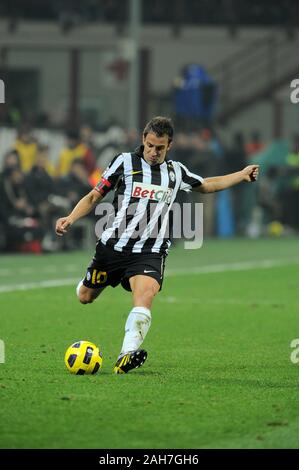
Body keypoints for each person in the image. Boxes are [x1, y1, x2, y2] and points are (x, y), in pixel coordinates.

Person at [55, 116, 259, 374]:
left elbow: (206, 185)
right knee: (85, 297)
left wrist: (241, 175)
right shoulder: (124, 162)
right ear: (143, 140)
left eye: (159, 148)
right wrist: (70, 218)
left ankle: (126, 354)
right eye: (150, 145)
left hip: (150, 252)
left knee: (145, 296)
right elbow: (95, 195)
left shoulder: (176, 172)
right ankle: (88, 282)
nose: (153, 152)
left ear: (169, 145)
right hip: (112, 248)